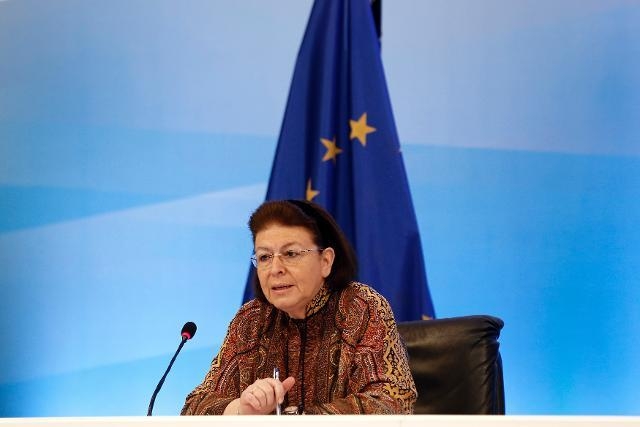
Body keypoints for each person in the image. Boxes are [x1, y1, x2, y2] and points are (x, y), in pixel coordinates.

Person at [181, 199, 416, 415]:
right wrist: (241, 409)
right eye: (264, 257)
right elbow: (193, 407)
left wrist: (297, 419)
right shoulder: (250, 320)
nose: (275, 269)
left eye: (291, 253)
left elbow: (391, 402)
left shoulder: (361, 307)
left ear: (325, 261)